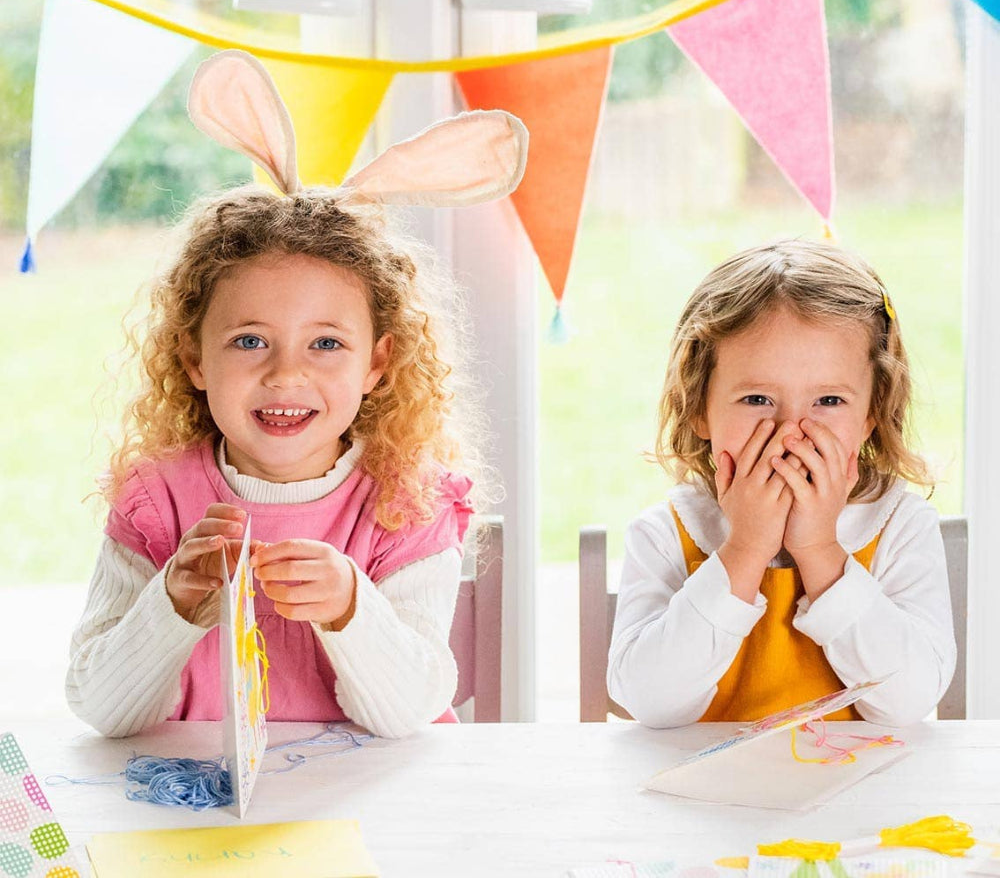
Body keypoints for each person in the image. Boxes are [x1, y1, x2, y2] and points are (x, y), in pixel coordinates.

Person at [66, 50, 527, 738]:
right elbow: (101, 710)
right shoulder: (156, 499)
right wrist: (172, 603)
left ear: (377, 363)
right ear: (193, 358)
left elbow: (408, 715)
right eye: (250, 340)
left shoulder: (407, 502)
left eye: (326, 344)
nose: (286, 375)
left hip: (374, 797)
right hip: (202, 798)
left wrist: (349, 607)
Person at [607, 239, 956, 727]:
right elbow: (651, 704)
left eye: (829, 401)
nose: (790, 431)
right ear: (699, 407)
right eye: (757, 399)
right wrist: (745, 549)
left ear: (871, 414)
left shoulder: (900, 526)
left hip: (860, 779)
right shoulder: (666, 532)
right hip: (710, 780)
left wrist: (819, 550)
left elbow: (906, 702)